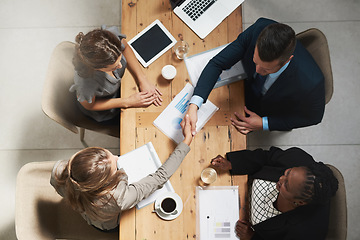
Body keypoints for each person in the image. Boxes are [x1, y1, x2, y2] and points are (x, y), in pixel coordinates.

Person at [182, 18, 325, 135]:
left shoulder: (311, 84)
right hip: (243, 87)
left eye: (266, 68)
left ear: (287, 60)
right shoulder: (259, 29)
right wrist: (194, 106)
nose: (258, 70)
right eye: (255, 61)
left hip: (269, 108)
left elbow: (314, 118)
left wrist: (264, 123)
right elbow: (217, 63)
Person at [50, 115, 193, 231]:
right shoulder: (118, 198)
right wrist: (186, 141)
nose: (118, 157)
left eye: (112, 155)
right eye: (114, 165)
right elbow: (160, 177)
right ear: (104, 183)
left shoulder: (59, 170)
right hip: (105, 224)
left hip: (86, 208)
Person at [211, 146, 338, 240]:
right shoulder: (298, 159)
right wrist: (233, 164)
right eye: (287, 173)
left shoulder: (303, 233)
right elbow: (265, 157)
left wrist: (252, 237)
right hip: (237, 187)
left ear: (299, 202)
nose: (281, 179)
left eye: (286, 185)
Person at [70, 25, 163, 122]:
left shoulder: (109, 40)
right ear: (97, 68)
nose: (120, 66)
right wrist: (127, 102)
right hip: (107, 107)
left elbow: (125, 47)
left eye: (120, 58)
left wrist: (142, 79)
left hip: (120, 90)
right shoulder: (86, 83)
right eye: (114, 67)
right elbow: (89, 105)